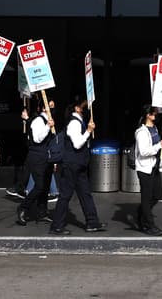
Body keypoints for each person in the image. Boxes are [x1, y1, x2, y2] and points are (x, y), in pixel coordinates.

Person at [49, 94, 106, 234]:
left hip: (78, 164)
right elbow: (77, 143)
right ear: (77, 108)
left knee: (85, 193)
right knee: (65, 195)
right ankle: (57, 225)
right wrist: (88, 131)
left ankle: (92, 222)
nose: (86, 107)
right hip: (71, 164)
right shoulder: (74, 123)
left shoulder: (79, 120)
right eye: (84, 105)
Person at [131, 106, 162, 235]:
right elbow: (144, 152)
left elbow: (159, 144)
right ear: (147, 115)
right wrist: (159, 145)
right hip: (144, 168)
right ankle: (149, 225)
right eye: (153, 112)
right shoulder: (141, 132)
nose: (155, 114)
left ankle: (141, 216)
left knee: (155, 195)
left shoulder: (154, 129)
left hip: (154, 166)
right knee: (147, 196)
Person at [17, 105, 57, 226]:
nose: (53, 108)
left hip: (48, 158)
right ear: (44, 109)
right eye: (50, 105)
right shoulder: (38, 121)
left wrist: (54, 160)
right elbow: (37, 139)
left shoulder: (50, 121)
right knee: (39, 186)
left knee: (45, 187)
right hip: (37, 157)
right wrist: (47, 127)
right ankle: (23, 207)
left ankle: (42, 212)